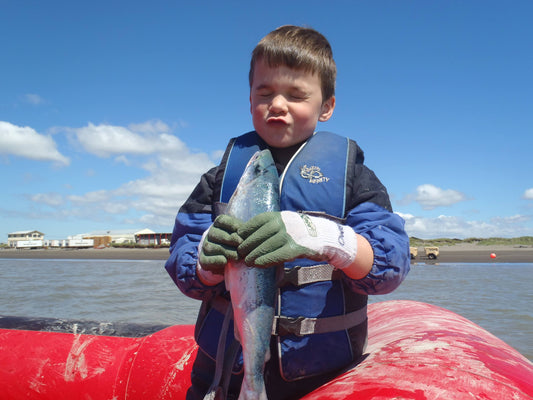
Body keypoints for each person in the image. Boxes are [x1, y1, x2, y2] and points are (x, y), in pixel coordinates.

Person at [165, 25, 410, 400]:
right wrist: (203, 263)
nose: (277, 104)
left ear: (326, 106)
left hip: (320, 376)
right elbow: (184, 262)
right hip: (221, 375)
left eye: (296, 95)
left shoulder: (353, 177)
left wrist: (325, 237)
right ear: (249, 100)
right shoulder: (220, 178)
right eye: (265, 93)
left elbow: (388, 267)